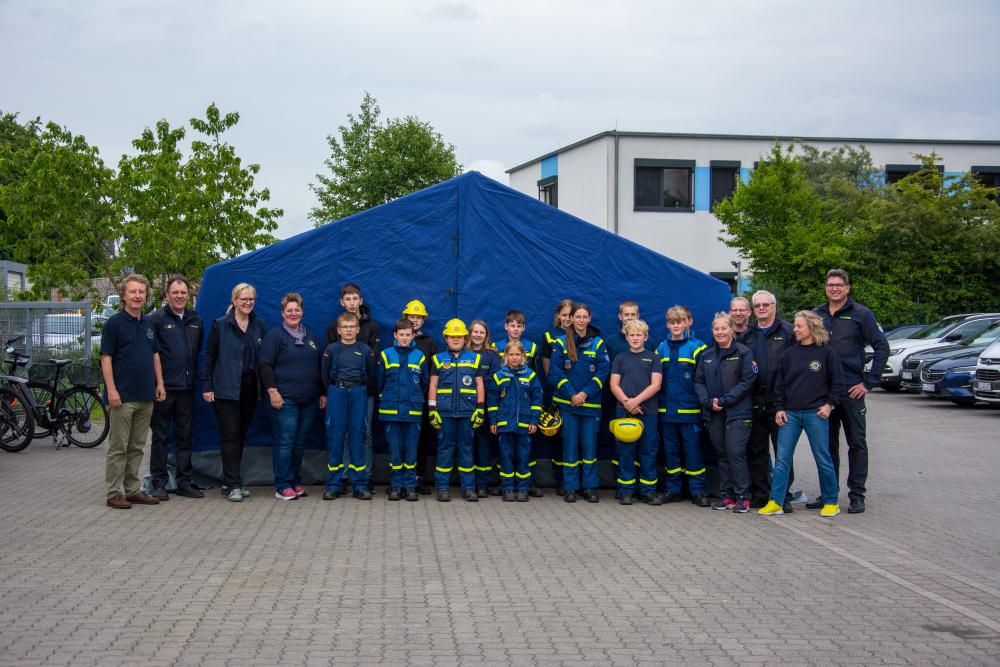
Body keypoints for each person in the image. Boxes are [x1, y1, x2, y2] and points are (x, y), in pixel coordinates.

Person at [812, 269, 890, 514]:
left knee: (856, 442)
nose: (834, 288)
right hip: (824, 393)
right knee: (827, 445)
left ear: (847, 288)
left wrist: (868, 382)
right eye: (830, 285)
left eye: (839, 285)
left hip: (851, 390)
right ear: (825, 288)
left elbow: (881, 347)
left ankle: (857, 494)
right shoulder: (816, 314)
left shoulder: (862, 315)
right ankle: (829, 494)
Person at [760, 311, 845, 518]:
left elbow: (838, 383)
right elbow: (780, 384)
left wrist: (829, 405)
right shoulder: (789, 354)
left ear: (811, 327)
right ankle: (776, 501)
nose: (795, 329)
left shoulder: (827, 353)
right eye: (795, 326)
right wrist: (779, 407)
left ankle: (831, 501)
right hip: (790, 414)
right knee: (782, 459)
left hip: (816, 414)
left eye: (799, 326)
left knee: (822, 457)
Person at [101, 274, 166, 509]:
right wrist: (111, 390)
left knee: (137, 446)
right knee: (118, 447)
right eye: (133, 292)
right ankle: (113, 493)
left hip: (146, 396)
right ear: (124, 295)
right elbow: (106, 359)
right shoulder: (114, 324)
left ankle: (132, 490)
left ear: (146, 295)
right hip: (123, 396)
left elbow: (155, 355)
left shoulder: (149, 324)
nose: (138, 296)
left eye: (141, 292)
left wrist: (159, 384)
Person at [201, 282, 267, 502]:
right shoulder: (220, 325)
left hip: (249, 388)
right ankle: (234, 485)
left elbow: (262, 360)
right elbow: (209, 356)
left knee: (240, 435)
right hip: (226, 389)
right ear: (234, 300)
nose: (247, 303)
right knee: (229, 435)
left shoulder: (259, 326)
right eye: (243, 299)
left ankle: (230, 481)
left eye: (251, 299)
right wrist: (207, 386)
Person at [259, 293, 326, 501]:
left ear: (302, 312)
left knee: (298, 442)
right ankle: (282, 484)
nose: (293, 313)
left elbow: (319, 367)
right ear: (282, 313)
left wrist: (322, 392)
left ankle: (295, 480)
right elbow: (264, 365)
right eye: (289, 310)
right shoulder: (275, 336)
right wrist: (272, 391)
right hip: (284, 399)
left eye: (297, 310)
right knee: (285, 441)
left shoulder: (311, 336)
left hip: (309, 399)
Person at [694, 312, 757, 513]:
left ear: (731, 329)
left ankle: (743, 497)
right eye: (716, 328)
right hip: (713, 413)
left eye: (723, 328)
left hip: (738, 412)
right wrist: (707, 402)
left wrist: (725, 401)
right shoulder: (706, 356)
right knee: (721, 454)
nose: (720, 332)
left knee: (735, 452)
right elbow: (699, 382)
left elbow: (748, 381)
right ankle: (727, 495)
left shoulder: (744, 352)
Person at [147, 275, 203, 500]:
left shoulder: (195, 319)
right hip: (163, 389)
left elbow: (197, 352)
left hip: (187, 389)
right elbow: (152, 354)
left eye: (183, 292)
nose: (179, 296)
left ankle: (184, 482)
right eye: (175, 292)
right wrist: (157, 383)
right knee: (160, 437)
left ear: (188, 295)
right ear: (167, 294)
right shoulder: (156, 319)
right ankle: (158, 483)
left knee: (185, 437)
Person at [548, 303, 610, 503]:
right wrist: (572, 394)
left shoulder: (598, 343)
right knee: (570, 447)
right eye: (578, 317)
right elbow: (555, 372)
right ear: (571, 319)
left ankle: (589, 487)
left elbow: (603, 372)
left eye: (585, 317)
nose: (581, 320)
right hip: (568, 404)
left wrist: (584, 393)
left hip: (590, 406)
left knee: (590, 448)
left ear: (589, 319)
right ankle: (570, 487)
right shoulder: (559, 342)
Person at [326, 284, 380, 492]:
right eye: (347, 299)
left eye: (354, 298)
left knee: (363, 433)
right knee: (341, 433)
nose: (351, 302)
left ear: (361, 300)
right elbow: (329, 364)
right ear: (342, 302)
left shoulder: (372, 327)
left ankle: (364, 476)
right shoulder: (334, 327)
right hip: (339, 391)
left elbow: (372, 363)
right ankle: (344, 477)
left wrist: (367, 388)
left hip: (363, 391)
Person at [743, 290, 794, 509]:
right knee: (757, 450)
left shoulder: (787, 331)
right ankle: (762, 494)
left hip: (779, 401)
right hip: (754, 401)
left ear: (774, 306)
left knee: (783, 451)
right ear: (753, 310)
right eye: (758, 306)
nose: (762, 308)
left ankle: (783, 495)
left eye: (766, 304)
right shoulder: (748, 334)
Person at [655, 306, 711, 507]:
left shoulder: (698, 348)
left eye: (680, 322)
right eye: (672, 322)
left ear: (687, 323)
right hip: (667, 411)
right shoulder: (660, 348)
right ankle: (673, 489)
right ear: (667, 324)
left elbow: (704, 382)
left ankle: (698, 491)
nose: (676, 326)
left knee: (693, 451)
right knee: (670, 452)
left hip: (690, 412)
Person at [428, 318, 486, 502]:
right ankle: (442, 488)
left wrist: (480, 409)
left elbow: (479, 386)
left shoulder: (475, 359)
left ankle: (469, 488)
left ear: (465, 338)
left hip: (467, 414)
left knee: (466, 450)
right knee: (444, 450)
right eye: (452, 336)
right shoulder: (438, 359)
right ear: (445, 338)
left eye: (459, 336)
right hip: (444, 414)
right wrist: (432, 410)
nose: (455, 340)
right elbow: (433, 386)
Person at [609, 319, 662, 505]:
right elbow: (613, 384)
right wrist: (626, 403)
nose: (635, 338)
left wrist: (636, 401)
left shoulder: (654, 358)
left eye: (639, 335)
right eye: (631, 335)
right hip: (624, 411)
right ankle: (625, 491)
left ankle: (647, 491)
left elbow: (656, 385)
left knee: (648, 451)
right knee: (625, 452)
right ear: (626, 337)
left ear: (645, 337)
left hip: (648, 411)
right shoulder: (620, 358)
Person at [493, 310, 543, 497]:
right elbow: (493, 385)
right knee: (505, 452)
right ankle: (505, 485)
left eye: (519, 326)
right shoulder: (495, 346)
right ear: (506, 326)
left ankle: (525, 485)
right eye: (511, 325)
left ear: (523, 328)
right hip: (505, 409)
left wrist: (534, 416)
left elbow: (537, 383)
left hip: (524, 410)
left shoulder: (532, 347)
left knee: (524, 453)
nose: (515, 329)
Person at [377, 319, 427, 502]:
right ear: (395, 335)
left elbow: (424, 383)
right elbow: (379, 383)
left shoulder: (419, 356)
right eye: (401, 335)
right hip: (391, 410)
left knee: (411, 449)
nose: (404, 338)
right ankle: (396, 485)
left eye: (408, 334)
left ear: (413, 335)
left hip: (413, 412)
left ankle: (410, 486)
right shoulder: (385, 355)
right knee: (395, 449)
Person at [404, 299, 439, 494]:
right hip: (403, 400)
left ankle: (418, 478)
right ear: (406, 318)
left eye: (418, 317)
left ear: (423, 321)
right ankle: (402, 478)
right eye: (412, 317)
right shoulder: (400, 340)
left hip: (423, 401)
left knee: (423, 440)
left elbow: (435, 375)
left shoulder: (430, 344)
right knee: (404, 440)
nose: (415, 320)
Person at [539, 299, 573, 494]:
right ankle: (561, 480)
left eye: (571, 315)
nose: (568, 319)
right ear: (558, 315)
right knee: (559, 438)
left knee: (574, 440)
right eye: (565, 315)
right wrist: (561, 389)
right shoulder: (549, 337)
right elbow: (548, 369)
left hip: (579, 396)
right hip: (557, 394)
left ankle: (574, 481)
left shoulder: (581, 336)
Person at [469, 320, 502, 497]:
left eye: (481, 332)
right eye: (475, 332)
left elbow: (494, 380)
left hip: (485, 406)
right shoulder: (463, 353)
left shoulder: (492, 355)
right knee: (467, 444)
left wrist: (478, 384)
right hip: (465, 406)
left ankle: (482, 483)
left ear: (486, 335)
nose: (478, 335)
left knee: (483, 444)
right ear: (469, 333)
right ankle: (468, 481)